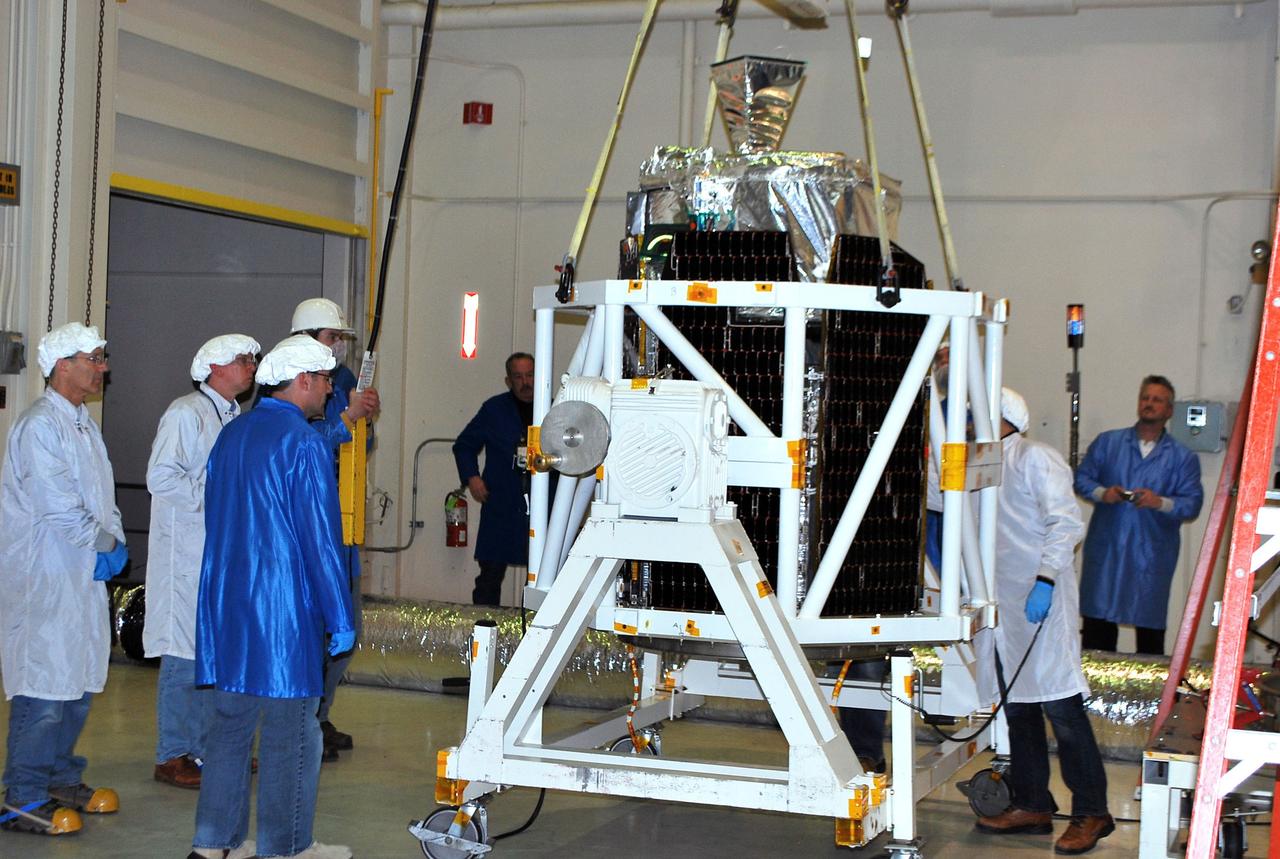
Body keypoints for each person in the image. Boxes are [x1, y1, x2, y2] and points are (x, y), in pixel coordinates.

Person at [189, 335, 355, 859]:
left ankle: (213, 843)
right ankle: (285, 847)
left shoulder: (232, 436)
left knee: (231, 728)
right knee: (292, 732)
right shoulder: (304, 443)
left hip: (229, 603)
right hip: (282, 607)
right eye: (327, 381)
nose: (331, 392)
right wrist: (339, 614)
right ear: (304, 380)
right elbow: (320, 540)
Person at [0, 322, 126, 836]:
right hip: (45, 576)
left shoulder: (81, 423)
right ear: (62, 365)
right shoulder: (38, 427)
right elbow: (59, 508)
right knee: (44, 689)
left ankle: (58, 777)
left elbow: (102, 497)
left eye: (102, 357)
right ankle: (22, 795)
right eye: (94, 358)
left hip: (78, 576)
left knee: (75, 684)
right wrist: (107, 544)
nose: (103, 367)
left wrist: (115, 537)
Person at [975, 388, 1113, 856]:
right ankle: (1033, 803)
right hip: (1003, 607)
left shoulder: (1036, 457)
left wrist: (1046, 578)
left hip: (1041, 600)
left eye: (979, 412)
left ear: (1005, 415)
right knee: (1019, 708)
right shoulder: (978, 465)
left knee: (1062, 709)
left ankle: (1092, 811)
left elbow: (1065, 521)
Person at [143, 334, 260, 789]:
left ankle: (209, 748)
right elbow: (161, 477)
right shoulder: (185, 413)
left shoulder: (233, 415)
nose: (250, 367)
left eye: (252, 360)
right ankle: (172, 753)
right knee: (183, 653)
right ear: (213, 367)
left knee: (214, 651)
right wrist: (218, 499)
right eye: (241, 360)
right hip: (187, 554)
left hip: (222, 553)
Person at [289, 298, 379, 760]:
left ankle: (318, 717)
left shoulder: (340, 382)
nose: (338, 347)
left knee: (344, 629)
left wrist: (364, 418)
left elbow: (357, 446)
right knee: (314, 632)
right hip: (313, 532)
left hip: (342, 527)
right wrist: (348, 419)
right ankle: (302, 722)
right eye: (331, 337)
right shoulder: (287, 389)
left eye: (341, 338)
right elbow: (301, 448)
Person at [1074, 375, 1203, 655]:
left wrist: (1161, 503)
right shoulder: (1108, 443)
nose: (1149, 404)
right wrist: (1102, 494)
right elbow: (1081, 478)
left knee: (1150, 635)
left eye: (1157, 400)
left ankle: (1153, 696)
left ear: (1169, 410)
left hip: (1151, 554)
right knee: (1098, 629)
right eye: (1145, 398)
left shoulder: (1182, 458)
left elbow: (1192, 504)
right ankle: (1092, 695)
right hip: (1108, 547)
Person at [453, 352, 536, 606]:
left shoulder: (554, 410)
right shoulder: (494, 409)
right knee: (489, 578)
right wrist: (472, 478)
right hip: (501, 503)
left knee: (541, 579)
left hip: (540, 506)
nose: (526, 382)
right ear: (508, 381)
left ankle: (534, 635)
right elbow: (464, 446)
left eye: (530, 375)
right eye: (518, 377)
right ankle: (482, 632)